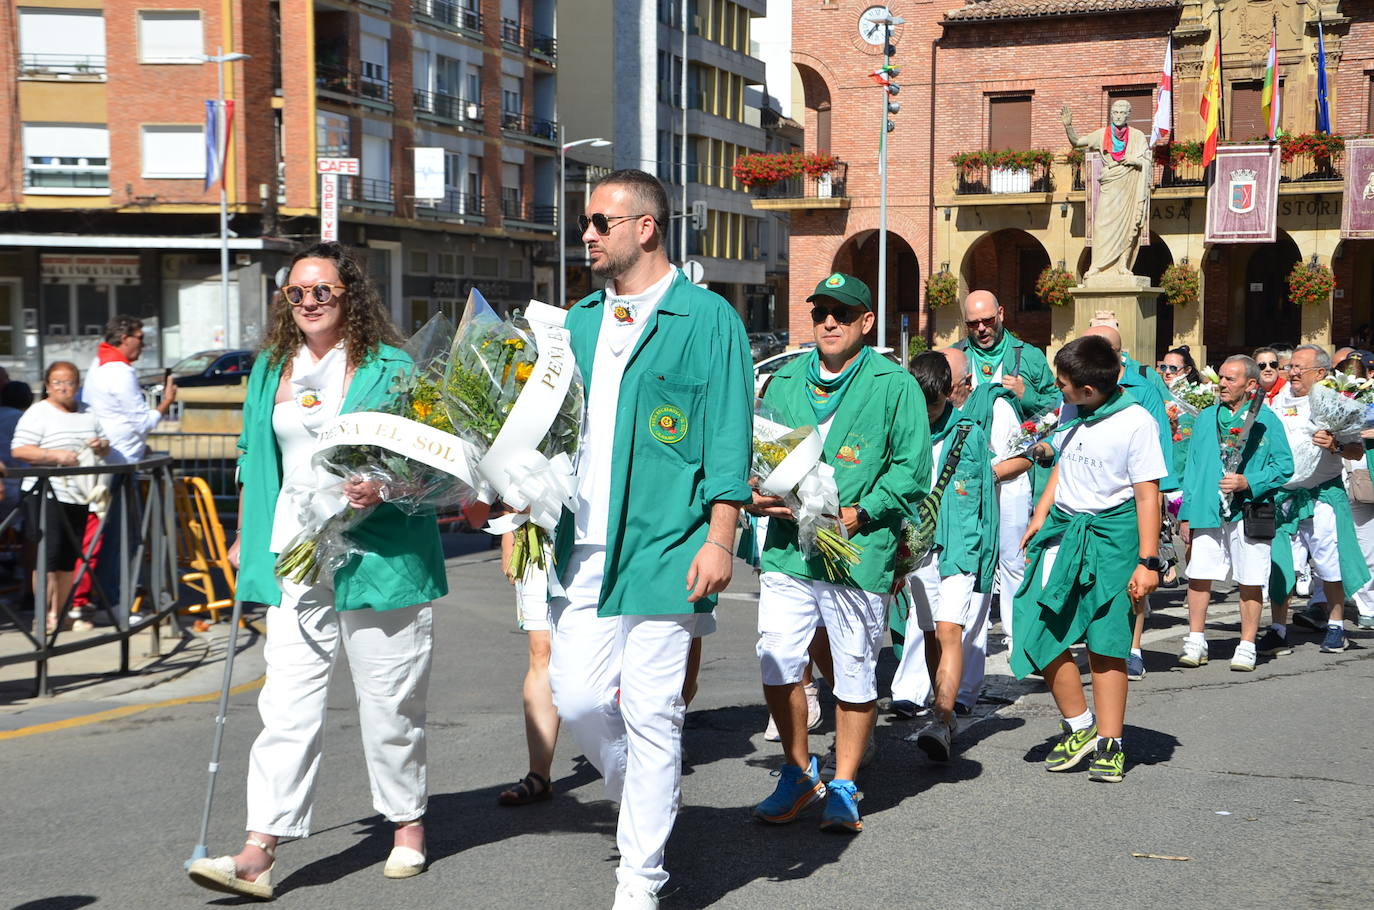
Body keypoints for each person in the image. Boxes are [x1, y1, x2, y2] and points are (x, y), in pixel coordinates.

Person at [187, 242, 447, 900]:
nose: (308, 303)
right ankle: (259, 849)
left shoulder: (391, 367)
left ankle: (408, 824)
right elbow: (257, 460)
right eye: (296, 294)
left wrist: (383, 487)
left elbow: (435, 465)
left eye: (322, 291)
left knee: (390, 703)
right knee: (286, 704)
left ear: (348, 294)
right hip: (297, 556)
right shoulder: (272, 367)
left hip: (381, 557)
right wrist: (245, 541)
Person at [546, 169, 752, 910]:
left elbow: (728, 437)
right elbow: (543, 432)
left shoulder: (708, 320)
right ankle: (646, 789)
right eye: (585, 222)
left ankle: (639, 883)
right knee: (574, 699)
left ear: (647, 228)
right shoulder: (574, 324)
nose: (589, 234)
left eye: (602, 220)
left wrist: (721, 537)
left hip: (670, 542)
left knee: (655, 709)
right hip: (583, 544)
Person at [749, 272, 929, 833]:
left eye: (843, 313)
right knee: (777, 658)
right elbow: (758, 450)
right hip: (788, 549)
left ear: (865, 322)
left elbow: (912, 469)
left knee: (852, 671)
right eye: (821, 311)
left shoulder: (893, 384)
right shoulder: (782, 380)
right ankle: (800, 771)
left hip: (857, 549)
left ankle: (845, 784)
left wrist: (859, 513)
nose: (829, 322)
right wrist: (759, 494)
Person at [1011, 334, 1165, 783]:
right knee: (1038, 632)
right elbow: (1063, 459)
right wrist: (1041, 512)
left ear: (1090, 389)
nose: (1058, 389)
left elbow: (1147, 496)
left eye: (1062, 384)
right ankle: (1079, 725)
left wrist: (1148, 562)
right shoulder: (1073, 411)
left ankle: (1110, 743)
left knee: (1106, 644)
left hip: (1114, 541)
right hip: (1064, 530)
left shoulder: (1136, 422)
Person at [893, 351, 1023, 763]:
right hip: (916, 549)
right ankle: (942, 713)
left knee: (950, 631)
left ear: (949, 394)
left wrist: (980, 561)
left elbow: (981, 503)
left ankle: (942, 718)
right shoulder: (901, 427)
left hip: (958, 548)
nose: (926, 414)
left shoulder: (967, 433)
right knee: (932, 632)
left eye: (933, 405)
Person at [1176, 356, 1293, 671]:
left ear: (1251, 384)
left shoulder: (1266, 419)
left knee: (1250, 579)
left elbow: (1285, 467)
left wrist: (1248, 481)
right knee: (1199, 575)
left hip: (1248, 511)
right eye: (1221, 378)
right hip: (1206, 508)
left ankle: (1246, 644)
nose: (1222, 384)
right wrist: (1186, 513)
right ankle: (1196, 639)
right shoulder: (1205, 418)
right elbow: (1193, 467)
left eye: (1230, 379)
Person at [1263, 345, 1370, 657]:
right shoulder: (1275, 400)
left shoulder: (1337, 403)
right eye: (1291, 367)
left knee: (1330, 565)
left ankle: (1336, 627)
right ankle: (1278, 628)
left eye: (1300, 368)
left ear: (1321, 373)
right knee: (1280, 565)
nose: (1292, 373)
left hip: (1322, 494)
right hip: (1284, 496)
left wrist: (1335, 444)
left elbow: (1357, 451)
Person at [1082, 325, 1175, 679]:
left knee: (1133, 575)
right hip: (1089, 498)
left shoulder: (1143, 389)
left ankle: (1132, 647)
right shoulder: (1079, 386)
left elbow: (1159, 443)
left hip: (1131, 497)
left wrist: (1161, 495)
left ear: (1118, 355)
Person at [10, 362, 111, 633]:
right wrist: (54, 456)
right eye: (57, 382)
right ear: (47, 386)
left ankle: (61, 612)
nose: (63, 388)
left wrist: (100, 445)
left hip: (79, 494)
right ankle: (42, 617)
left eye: (69, 382)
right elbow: (19, 450)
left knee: (68, 558)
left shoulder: (88, 413)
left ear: (78, 386)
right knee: (48, 557)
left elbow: (104, 446)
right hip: (45, 492)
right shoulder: (37, 413)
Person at [1061, 99, 1152, 278]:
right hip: (1110, 183)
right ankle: (1097, 265)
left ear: (1128, 115)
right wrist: (1068, 126)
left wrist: (1135, 160)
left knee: (1127, 225)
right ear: (1111, 114)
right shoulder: (1102, 134)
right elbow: (1077, 142)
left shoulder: (1138, 136)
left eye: (1122, 113)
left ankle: (1122, 265)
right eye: (1115, 113)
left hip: (1129, 184)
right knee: (1102, 226)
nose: (1118, 116)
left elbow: (1147, 159)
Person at [83, 315, 176, 462]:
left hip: (107, 454)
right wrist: (167, 400)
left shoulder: (98, 363)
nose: (143, 345)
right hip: (123, 459)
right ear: (125, 339)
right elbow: (143, 423)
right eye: (140, 338)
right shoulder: (121, 371)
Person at [953, 290, 1056, 420]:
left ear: (1000, 314)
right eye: (973, 323)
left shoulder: (1030, 356)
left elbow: (1058, 404)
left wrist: (1026, 396)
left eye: (987, 321)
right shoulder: (952, 357)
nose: (981, 328)